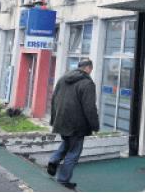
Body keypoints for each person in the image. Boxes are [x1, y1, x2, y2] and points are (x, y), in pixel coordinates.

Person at [47, 59, 99, 190]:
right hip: (77, 125)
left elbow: (54, 99)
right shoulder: (87, 83)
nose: (91, 72)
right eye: (91, 69)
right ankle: (63, 180)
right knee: (74, 152)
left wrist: (54, 119)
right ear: (88, 68)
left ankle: (53, 160)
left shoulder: (63, 78)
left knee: (67, 143)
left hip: (61, 121)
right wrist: (95, 125)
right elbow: (90, 108)